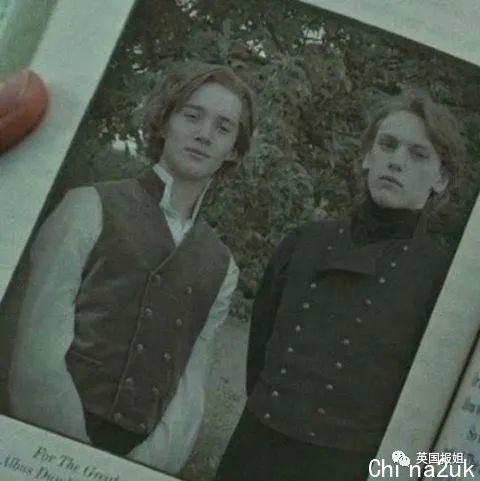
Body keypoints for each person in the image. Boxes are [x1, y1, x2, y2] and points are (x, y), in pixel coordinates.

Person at [7, 60, 257, 475]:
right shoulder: (87, 207)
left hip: (138, 457)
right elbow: (37, 349)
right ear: (164, 122)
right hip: (48, 443)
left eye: (223, 127)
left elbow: (191, 384)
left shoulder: (222, 265)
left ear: (233, 149)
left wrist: (144, 466)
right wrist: (72, 454)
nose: (204, 134)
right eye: (192, 116)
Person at [214, 88, 465, 481]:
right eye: (387, 145)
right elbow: (260, 349)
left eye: (418, 154)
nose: (396, 161)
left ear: (441, 179)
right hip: (255, 448)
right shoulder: (303, 243)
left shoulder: (443, 281)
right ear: (367, 156)